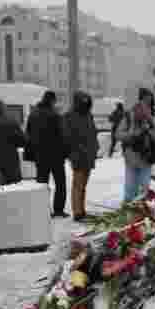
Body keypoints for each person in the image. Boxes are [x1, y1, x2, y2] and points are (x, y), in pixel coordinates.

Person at [116, 87, 155, 201]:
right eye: (144, 101)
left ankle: (142, 210)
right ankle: (128, 209)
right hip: (132, 156)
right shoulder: (129, 116)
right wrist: (133, 133)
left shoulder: (152, 117)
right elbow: (118, 134)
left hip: (147, 157)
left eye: (149, 101)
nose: (146, 105)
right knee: (130, 188)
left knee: (144, 189)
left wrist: (149, 130)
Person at [26, 91, 68, 217]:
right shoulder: (55, 115)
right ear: (52, 101)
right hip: (56, 155)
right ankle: (58, 210)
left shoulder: (33, 115)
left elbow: (28, 134)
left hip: (40, 155)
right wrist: (65, 152)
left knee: (42, 184)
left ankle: (42, 209)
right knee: (60, 184)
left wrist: (31, 153)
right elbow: (62, 136)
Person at [63, 91, 98, 222]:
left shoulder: (89, 115)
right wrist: (74, 151)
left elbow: (93, 132)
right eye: (83, 101)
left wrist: (95, 147)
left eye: (87, 102)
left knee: (83, 184)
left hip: (88, 154)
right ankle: (77, 212)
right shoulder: (69, 116)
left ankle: (81, 210)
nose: (85, 104)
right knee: (78, 184)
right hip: (77, 155)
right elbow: (67, 137)